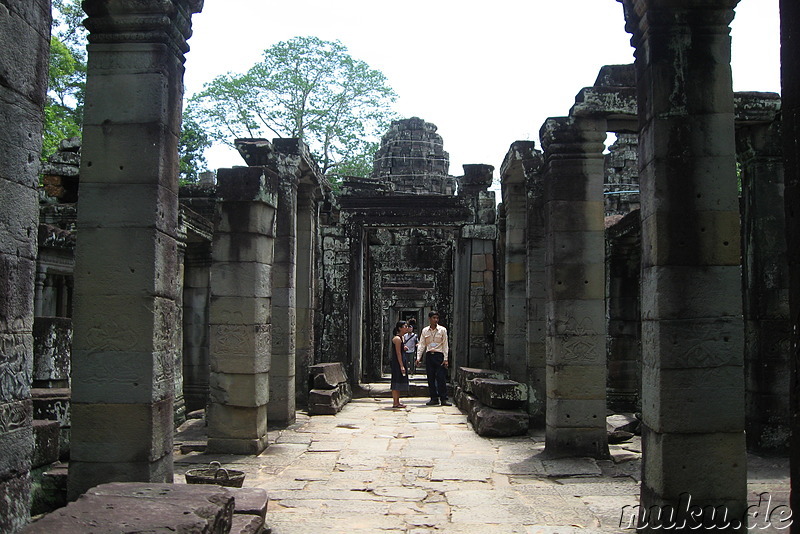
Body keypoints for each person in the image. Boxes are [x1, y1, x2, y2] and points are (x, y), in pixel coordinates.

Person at [416, 311, 450, 406]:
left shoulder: (442, 330)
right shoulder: (425, 331)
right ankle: (433, 398)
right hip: (429, 355)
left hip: (439, 355)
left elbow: (445, 344)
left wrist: (446, 358)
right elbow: (422, 344)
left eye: (437, 318)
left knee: (441, 377)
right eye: (434, 318)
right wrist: (418, 357)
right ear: (429, 319)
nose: (435, 320)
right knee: (430, 377)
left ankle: (444, 398)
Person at [389, 320, 410, 408]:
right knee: (396, 381)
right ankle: (395, 402)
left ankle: (397, 401)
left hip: (401, 361)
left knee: (399, 381)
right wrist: (401, 365)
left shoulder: (401, 338)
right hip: (397, 363)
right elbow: (398, 353)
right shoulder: (397, 339)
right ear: (399, 328)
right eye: (404, 326)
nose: (406, 328)